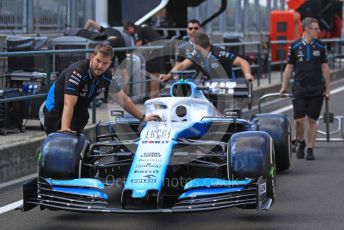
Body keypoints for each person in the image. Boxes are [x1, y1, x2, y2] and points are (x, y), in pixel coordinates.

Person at [43, 44, 160, 135]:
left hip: (79, 109)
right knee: (60, 139)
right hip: (56, 109)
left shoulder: (107, 76)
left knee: (80, 126)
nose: (100, 66)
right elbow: (68, 104)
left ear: (109, 63)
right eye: (98, 61)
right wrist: (65, 130)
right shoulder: (77, 72)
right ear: (92, 57)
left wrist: (143, 117)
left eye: (104, 63)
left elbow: (123, 99)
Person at [280, 17, 331, 160]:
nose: (319, 31)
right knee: (299, 120)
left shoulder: (321, 46)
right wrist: (284, 87)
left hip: (316, 88)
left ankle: (310, 148)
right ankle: (301, 141)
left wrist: (328, 89)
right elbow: (289, 67)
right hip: (300, 87)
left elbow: (325, 68)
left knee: (313, 120)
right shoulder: (294, 46)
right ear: (307, 29)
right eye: (316, 28)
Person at [160, 32, 254, 83]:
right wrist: (168, 76)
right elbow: (182, 65)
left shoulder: (220, 53)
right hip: (207, 84)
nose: (202, 53)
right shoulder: (195, 53)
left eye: (205, 49)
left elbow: (243, 62)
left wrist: (247, 75)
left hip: (225, 83)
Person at [83, 19, 130, 96]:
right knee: (123, 69)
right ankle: (127, 93)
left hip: (111, 42)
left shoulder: (104, 30)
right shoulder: (117, 31)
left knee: (109, 70)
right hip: (121, 43)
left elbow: (90, 22)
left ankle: (110, 94)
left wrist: (84, 31)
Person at [123, 22, 164, 99]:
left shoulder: (137, 30)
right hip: (156, 50)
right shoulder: (142, 28)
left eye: (127, 32)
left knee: (154, 75)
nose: (129, 35)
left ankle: (154, 99)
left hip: (155, 51)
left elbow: (139, 44)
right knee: (148, 73)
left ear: (129, 28)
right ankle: (151, 95)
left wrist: (130, 54)